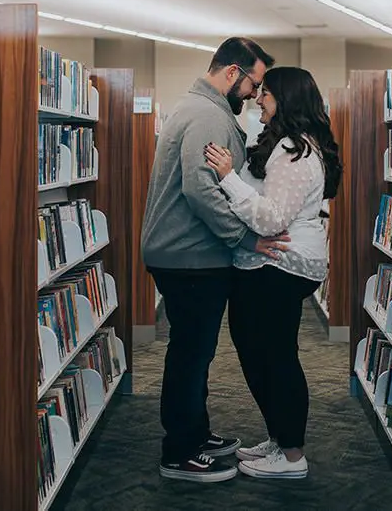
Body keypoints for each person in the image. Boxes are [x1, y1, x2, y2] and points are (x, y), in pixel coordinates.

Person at [141, 37, 290, 483]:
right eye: (252, 83)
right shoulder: (207, 115)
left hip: (188, 254)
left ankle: (195, 434)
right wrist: (245, 237)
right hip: (190, 257)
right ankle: (180, 451)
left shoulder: (201, 109)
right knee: (190, 353)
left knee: (196, 351)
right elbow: (201, 190)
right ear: (232, 73)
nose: (253, 94)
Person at [204, 66, 341, 480]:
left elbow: (270, 218)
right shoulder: (282, 145)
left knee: (276, 357)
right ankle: (280, 438)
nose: (257, 98)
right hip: (274, 265)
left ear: (286, 99)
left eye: (265, 93)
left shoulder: (296, 151)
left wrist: (228, 178)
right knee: (258, 350)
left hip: (283, 264)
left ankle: (292, 454)